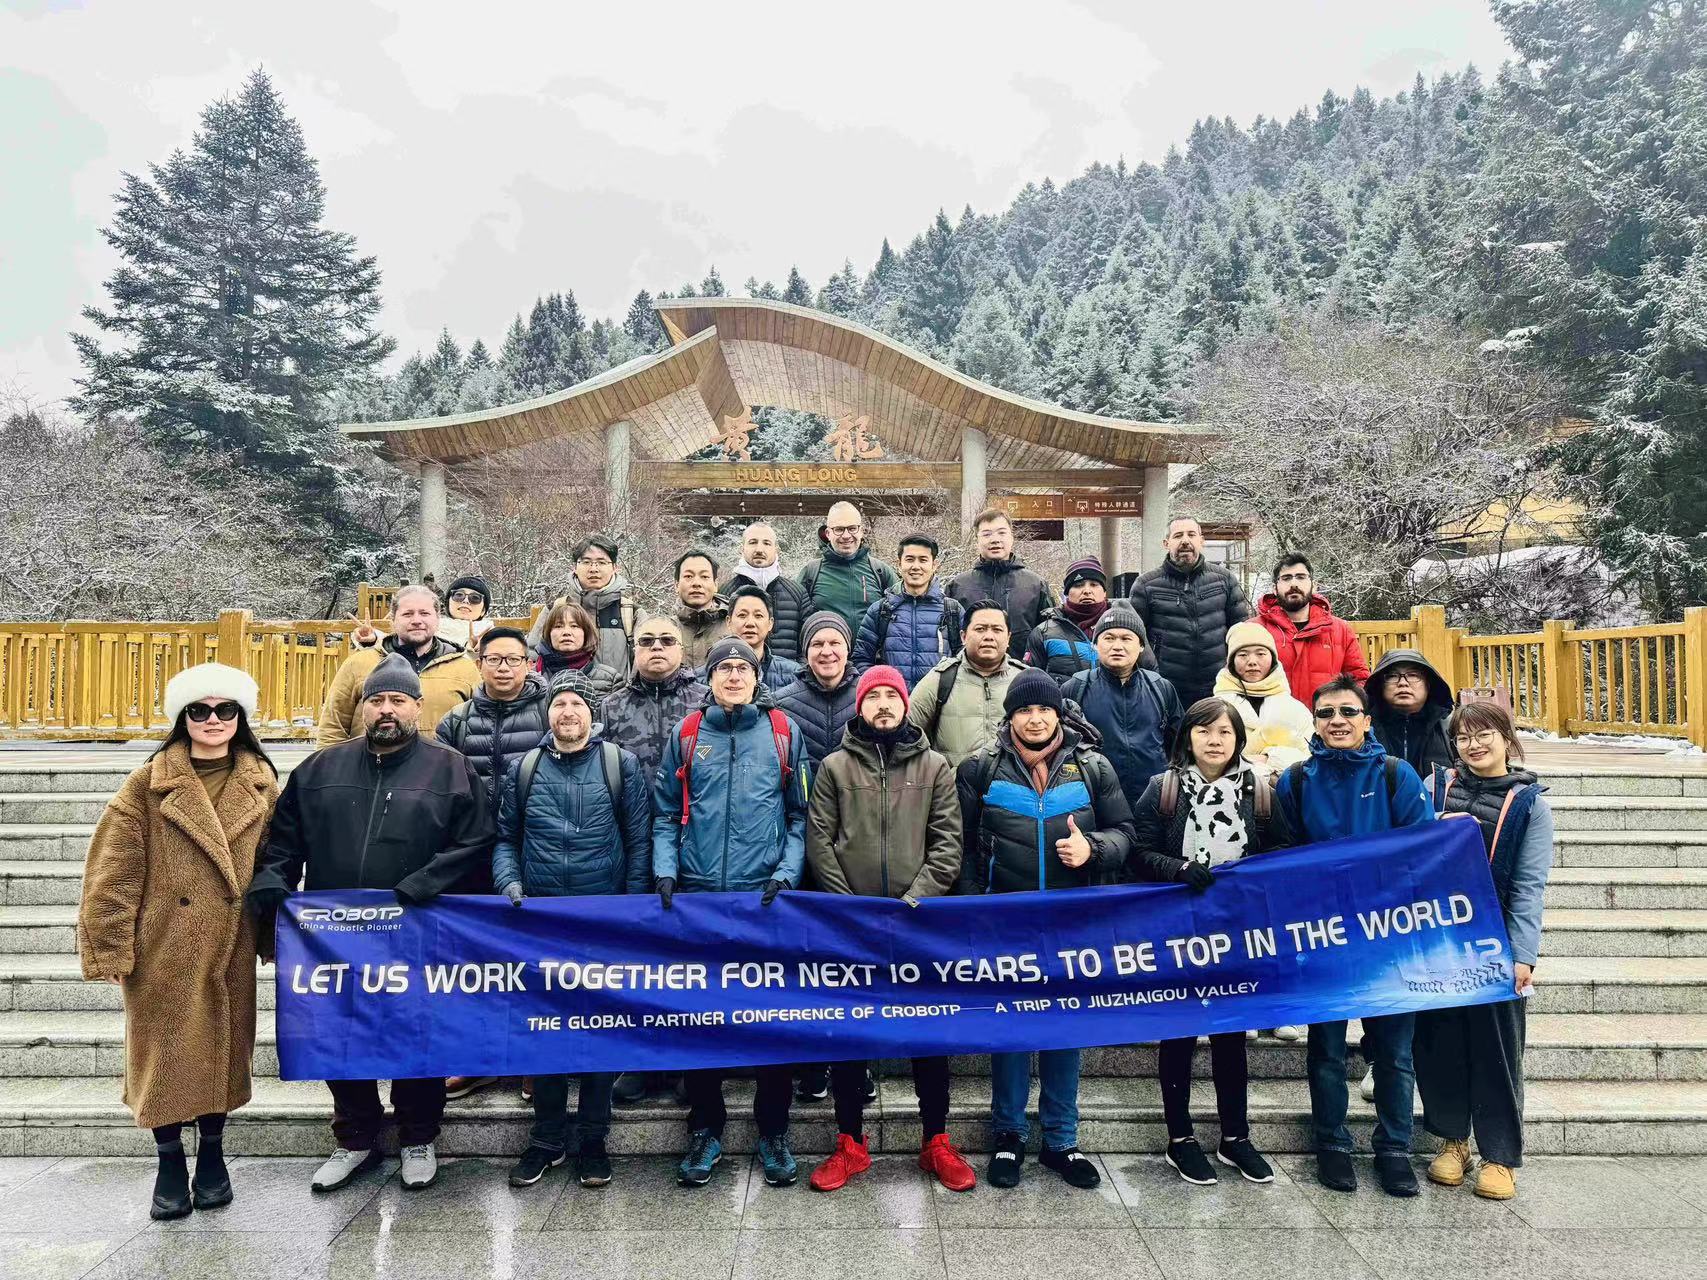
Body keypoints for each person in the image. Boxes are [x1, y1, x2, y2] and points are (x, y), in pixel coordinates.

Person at [248, 654, 493, 1194]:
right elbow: (284, 843)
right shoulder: (319, 770)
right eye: (376, 699)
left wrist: (425, 882)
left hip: (416, 929)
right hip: (334, 939)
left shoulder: (450, 768)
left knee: (417, 1032)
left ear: (417, 707)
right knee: (340, 1034)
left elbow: (475, 841)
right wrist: (274, 881)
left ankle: (418, 1135)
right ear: (362, 708)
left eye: (397, 700)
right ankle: (355, 1136)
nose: (386, 709)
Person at [79, 663, 277, 1221]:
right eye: (199, 710)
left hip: (229, 944)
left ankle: (212, 1156)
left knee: (223, 1051)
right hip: (163, 944)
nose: (213, 720)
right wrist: (111, 945)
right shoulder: (147, 783)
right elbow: (113, 872)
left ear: (240, 717)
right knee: (162, 1055)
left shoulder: (263, 783)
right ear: (181, 718)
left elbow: (274, 867)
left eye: (225, 709)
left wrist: (272, 935)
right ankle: (168, 1162)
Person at [959, 670, 1136, 1190]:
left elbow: (1126, 832)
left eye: (1044, 710)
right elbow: (962, 847)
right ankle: (1009, 1135)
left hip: (1072, 923)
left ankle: (1061, 1140)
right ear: (1010, 716)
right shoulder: (980, 768)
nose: (1035, 719)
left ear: (1059, 714)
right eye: (1024, 710)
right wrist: (976, 910)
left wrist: (1092, 849)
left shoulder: (1093, 766)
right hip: (1006, 923)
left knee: (1064, 1030)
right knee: (1011, 1031)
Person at [805, 665, 974, 1194]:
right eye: (872, 695)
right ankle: (850, 1142)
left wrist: (911, 902)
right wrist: (851, 911)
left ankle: (936, 1140)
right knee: (850, 1034)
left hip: (917, 923)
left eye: (891, 695)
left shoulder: (935, 766)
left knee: (928, 1034)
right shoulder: (833, 767)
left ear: (905, 704)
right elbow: (820, 842)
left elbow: (947, 844)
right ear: (860, 705)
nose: (882, 703)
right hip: (850, 927)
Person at [650, 637, 810, 1190]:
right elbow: (665, 812)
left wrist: (786, 873)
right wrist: (666, 869)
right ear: (711, 678)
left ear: (757, 676)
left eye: (744, 668)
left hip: (763, 899)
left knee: (771, 1022)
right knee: (703, 1022)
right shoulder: (688, 734)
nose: (735, 676)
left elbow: (799, 815)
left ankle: (774, 1131)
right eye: (725, 668)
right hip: (699, 900)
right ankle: (705, 1129)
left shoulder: (783, 732)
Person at [1273, 675, 1434, 1198]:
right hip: (1325, 936)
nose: (1337, 721)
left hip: (1388, 936)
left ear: (1366, 720)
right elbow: (1285, 857)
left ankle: (1394, 1148)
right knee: (1325, 1049)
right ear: (1314, 722)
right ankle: (1332, 1144)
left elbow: (1422, 852)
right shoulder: (1296, 781)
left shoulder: (1395, 774)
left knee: (1394, 1051)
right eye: (1326, 713)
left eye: (1347, 712)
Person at [493, 671, 652, 1190]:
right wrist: (509, 882)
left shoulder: (619, 764)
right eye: (559, 704)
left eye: (577, 705)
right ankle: (546, 1138)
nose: (568, 712)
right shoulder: (525, 768)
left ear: (592, 714)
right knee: (543, 1032)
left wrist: (630, 911)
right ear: (548, 714)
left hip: (602, 923)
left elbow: (639, 840)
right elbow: (505, 838)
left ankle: (593, 1138)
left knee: (598, 1032)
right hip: (540, 923)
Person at [1127, 698, 1293, 1187]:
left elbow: (1283, 848)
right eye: (1204, 731)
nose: (1214, 740)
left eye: (1224, 731)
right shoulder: (1163, 788)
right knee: (1178, 1032)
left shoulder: (1260, 790)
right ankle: (1179, 1138)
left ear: (1238, 738)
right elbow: (1138, 851)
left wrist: (1249, 874)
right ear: (1188, 737)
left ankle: (1235, 1136)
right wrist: (1178, 868)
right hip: (1178, 929)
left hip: (1238, 930)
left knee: (1231, 1035)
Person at [1417, 700, 1554, 1202]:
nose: (1473, 745)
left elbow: (1529, 886)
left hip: (1494, 939)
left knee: (1497, 1048)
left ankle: (1500, 1155)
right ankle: (1454, 1142)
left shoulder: (1529, 803)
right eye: (1463, 737)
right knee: (1440, 1042)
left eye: (1483, 735)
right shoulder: (1435, 787)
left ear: (1506, 738)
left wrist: (1523, 953)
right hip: (1435, 937)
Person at [435, 624, 553, 1102]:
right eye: (494, 659)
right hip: (472, 853)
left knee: (531, 959)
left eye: (513, 659)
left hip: (532, 851)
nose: (504, 668)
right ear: (479, 663)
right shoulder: (457, 721)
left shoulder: (549, 712)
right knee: (474, 962)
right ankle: (476, 1057)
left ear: (528, 664)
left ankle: (532, 1059)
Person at [599, 614, 706, 1109]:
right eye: (647, 641)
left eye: (667, 640)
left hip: (695, 843)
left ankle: (687, 1060)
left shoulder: (705, 699)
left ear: (682, 649)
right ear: (633, 649)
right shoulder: (611, 706)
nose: (657, 648)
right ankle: (641, 1059)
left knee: (689, 959)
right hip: (631, 844)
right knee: (639, 959)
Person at [318, 584, 479, 746]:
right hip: (371, 761)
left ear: (437, 619)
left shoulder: (464, 669)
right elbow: (332, 728)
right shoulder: (358, 664)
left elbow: (481, 727)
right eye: (407, 614)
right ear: (393, 620)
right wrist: (332, 762)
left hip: (444, 761)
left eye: (424, 613)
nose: (417, 620)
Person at [1060, 608, 1183, 811]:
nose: (1117, 646)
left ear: (1141, 646)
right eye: (1109, 638)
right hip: (1096, 802)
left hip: (1155, 801)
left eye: (1126, 638)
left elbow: (1180, 745)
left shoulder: (1161, 687)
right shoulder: (1076, 688)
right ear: (1095, 644)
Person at [1128, 515, 1252, 706]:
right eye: (1178, 535)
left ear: (1201, 541)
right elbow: (1135, 637)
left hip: (1219, 685)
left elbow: (1241, 631)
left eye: (1191, 534)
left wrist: (1232, 671)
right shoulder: (1146, 585)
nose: (1185, 540)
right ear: (1166, 543)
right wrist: (1154, 675)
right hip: (1166, 688)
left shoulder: (1224, 579)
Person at [906, 601, 1029, 767]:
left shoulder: (1024, 680)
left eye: (997, 630)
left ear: (1008, 638)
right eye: (980, 629)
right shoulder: (941, 679)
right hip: (952, 782)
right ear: (963, 636)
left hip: (1012, 782)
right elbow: (907, 735)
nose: (989, 636)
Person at [1256, 553, 1369, 706]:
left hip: (1326, 719)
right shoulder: (1255, 629)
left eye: (1301, 577)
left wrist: (1340, 712)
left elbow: (1359, 680)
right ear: (1274, 588)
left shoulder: (1340, 630)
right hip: (1271, 720)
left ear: (1314, 585)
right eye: (1286, 578)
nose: (1293, 584)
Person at [852, 534, 963, 688]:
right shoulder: (880, 611)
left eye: (923, 560)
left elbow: (966, 662)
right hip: (893, 701)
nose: (916, 566)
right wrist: (881, 691)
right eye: (910, 559)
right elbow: (861, 660)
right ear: (899, 564)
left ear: (934, 565)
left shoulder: (952, 611)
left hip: (939, 701)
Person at [527, 534, 640, 681]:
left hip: (617, 693)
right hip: (562, 693)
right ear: (574, 567)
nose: (593, 569)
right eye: (586, 562)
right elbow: (531, 657)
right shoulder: (556, 608)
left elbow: (643, 661)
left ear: (615, 568)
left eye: (601, 562)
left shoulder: (630, 612)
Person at [946, 509, 1054, 659]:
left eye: (1001, 533)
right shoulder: (958, 586)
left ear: (1012, 538)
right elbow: (948, 639)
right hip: (968, 670)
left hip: (1023, 670)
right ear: (977, 541)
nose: (995, 540)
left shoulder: (1036, 585)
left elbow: (1050, 635)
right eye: (987, 534)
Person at [1212, 621, 1313, 774]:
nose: (1252, 662)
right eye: (1243, 655)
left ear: (1273, 659)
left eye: (1260, 654)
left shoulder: (1295, 708)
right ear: (1231, 661)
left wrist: (1268, 758)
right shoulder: (1216, 707)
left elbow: (1311, 759)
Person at [773, 612, 859, 769]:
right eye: (817, 644)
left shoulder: (868, 699)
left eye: (835, 643)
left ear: (848, 649)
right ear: (806, 653)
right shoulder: (781, 705)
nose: (826, 652)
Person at [798, 501, 900, 633]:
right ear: (828, 533)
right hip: (827, 647)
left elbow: (901, 616)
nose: (846, 536)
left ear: (861, 531)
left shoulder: (881, 571)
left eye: (852, 528)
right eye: (839, 529)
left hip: (872, 647)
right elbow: (795, 620)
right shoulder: (811, 573)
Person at [724, 521, 810, 661]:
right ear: (742, 548)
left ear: (776, 550)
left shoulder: (797, 593)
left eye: (766, 543)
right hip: (738, 672)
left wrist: (797, 671)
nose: (759, 549)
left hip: (788, 674)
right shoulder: (725, 593)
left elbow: (808, 645)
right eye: (753, 542)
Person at [1367, 648, 1455, 778]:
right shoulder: (1363, 729)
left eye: (1413, 675)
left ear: (1428, 684)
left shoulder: (1451, 727)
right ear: (1380, 686)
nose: (1403, 683)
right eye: (1392, 676)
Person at [1023, 556, 1112, 685]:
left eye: (1094, 584)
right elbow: (1030, 683)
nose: (1087, 591)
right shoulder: (1044, 633)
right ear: (1066, 593)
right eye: (1078, 585)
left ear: (1104, 592)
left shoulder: (1125, 628)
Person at [725, 583, 803, 693]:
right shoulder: (708, 673)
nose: (750, 623)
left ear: (770, 623)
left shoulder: (793, 673)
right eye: (742, 615)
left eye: (758, 616)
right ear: (729, 622)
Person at [533, 600, 622, 695]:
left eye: (574, 626)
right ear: (548, 633)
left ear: (586, 633)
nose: (566, 632)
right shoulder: (531, 679)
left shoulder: (610, 680)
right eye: (558, 626)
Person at [672, 549, 731, 671]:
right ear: (676, 585)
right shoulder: (666, 629)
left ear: (715, 585)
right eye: (688, 576)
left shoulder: (734, 626)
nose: (696, 583)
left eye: (704, 577)